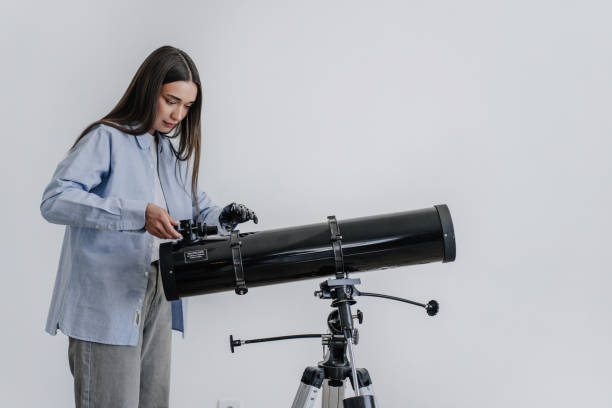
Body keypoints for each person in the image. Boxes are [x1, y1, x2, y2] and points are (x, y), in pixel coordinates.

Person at [40, 45, 258, 408]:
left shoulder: (167, 153)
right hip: (106, 302)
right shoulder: (106, 138)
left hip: (159, 291)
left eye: (187, 106)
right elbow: (55, 200)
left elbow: (197, 207)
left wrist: (225, 216)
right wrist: (137, 214)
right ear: (149, 90)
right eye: (171, 100)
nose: (178, 114)